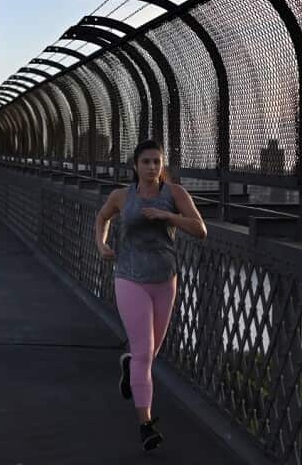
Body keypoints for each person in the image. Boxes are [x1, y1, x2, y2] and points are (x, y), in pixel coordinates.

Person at [93, 139, 208, 451]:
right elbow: (103, 217)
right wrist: (102, 245)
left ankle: (129, 365)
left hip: (164, 280)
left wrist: (168, 217)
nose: (152, 167)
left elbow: (200, 229)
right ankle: (145, 424)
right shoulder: (121, 196)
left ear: (163, 165)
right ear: (135, 165)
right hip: (129, 278)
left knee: (150, 353)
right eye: (146, 162)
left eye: (157, 162)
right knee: (145, 352)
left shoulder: (175, 194)